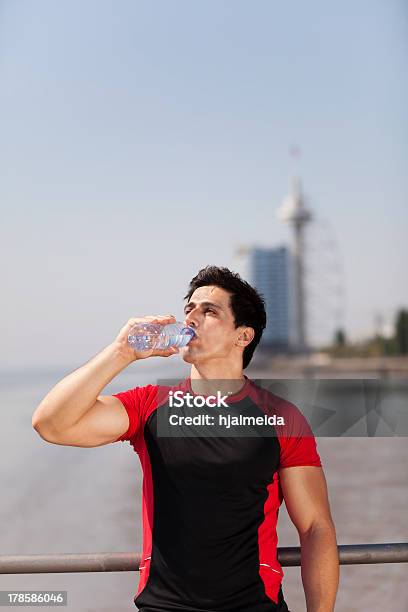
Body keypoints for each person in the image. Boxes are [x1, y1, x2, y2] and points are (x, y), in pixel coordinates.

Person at [32, 266, 339, 612]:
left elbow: (315, 527)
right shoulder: (150, 405)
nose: (192, 318)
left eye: (209, 311)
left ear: (243, 336)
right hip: (163, 606)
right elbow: (52, 423)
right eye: (189, 309)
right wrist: (122, 352)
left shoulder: (280, 418)